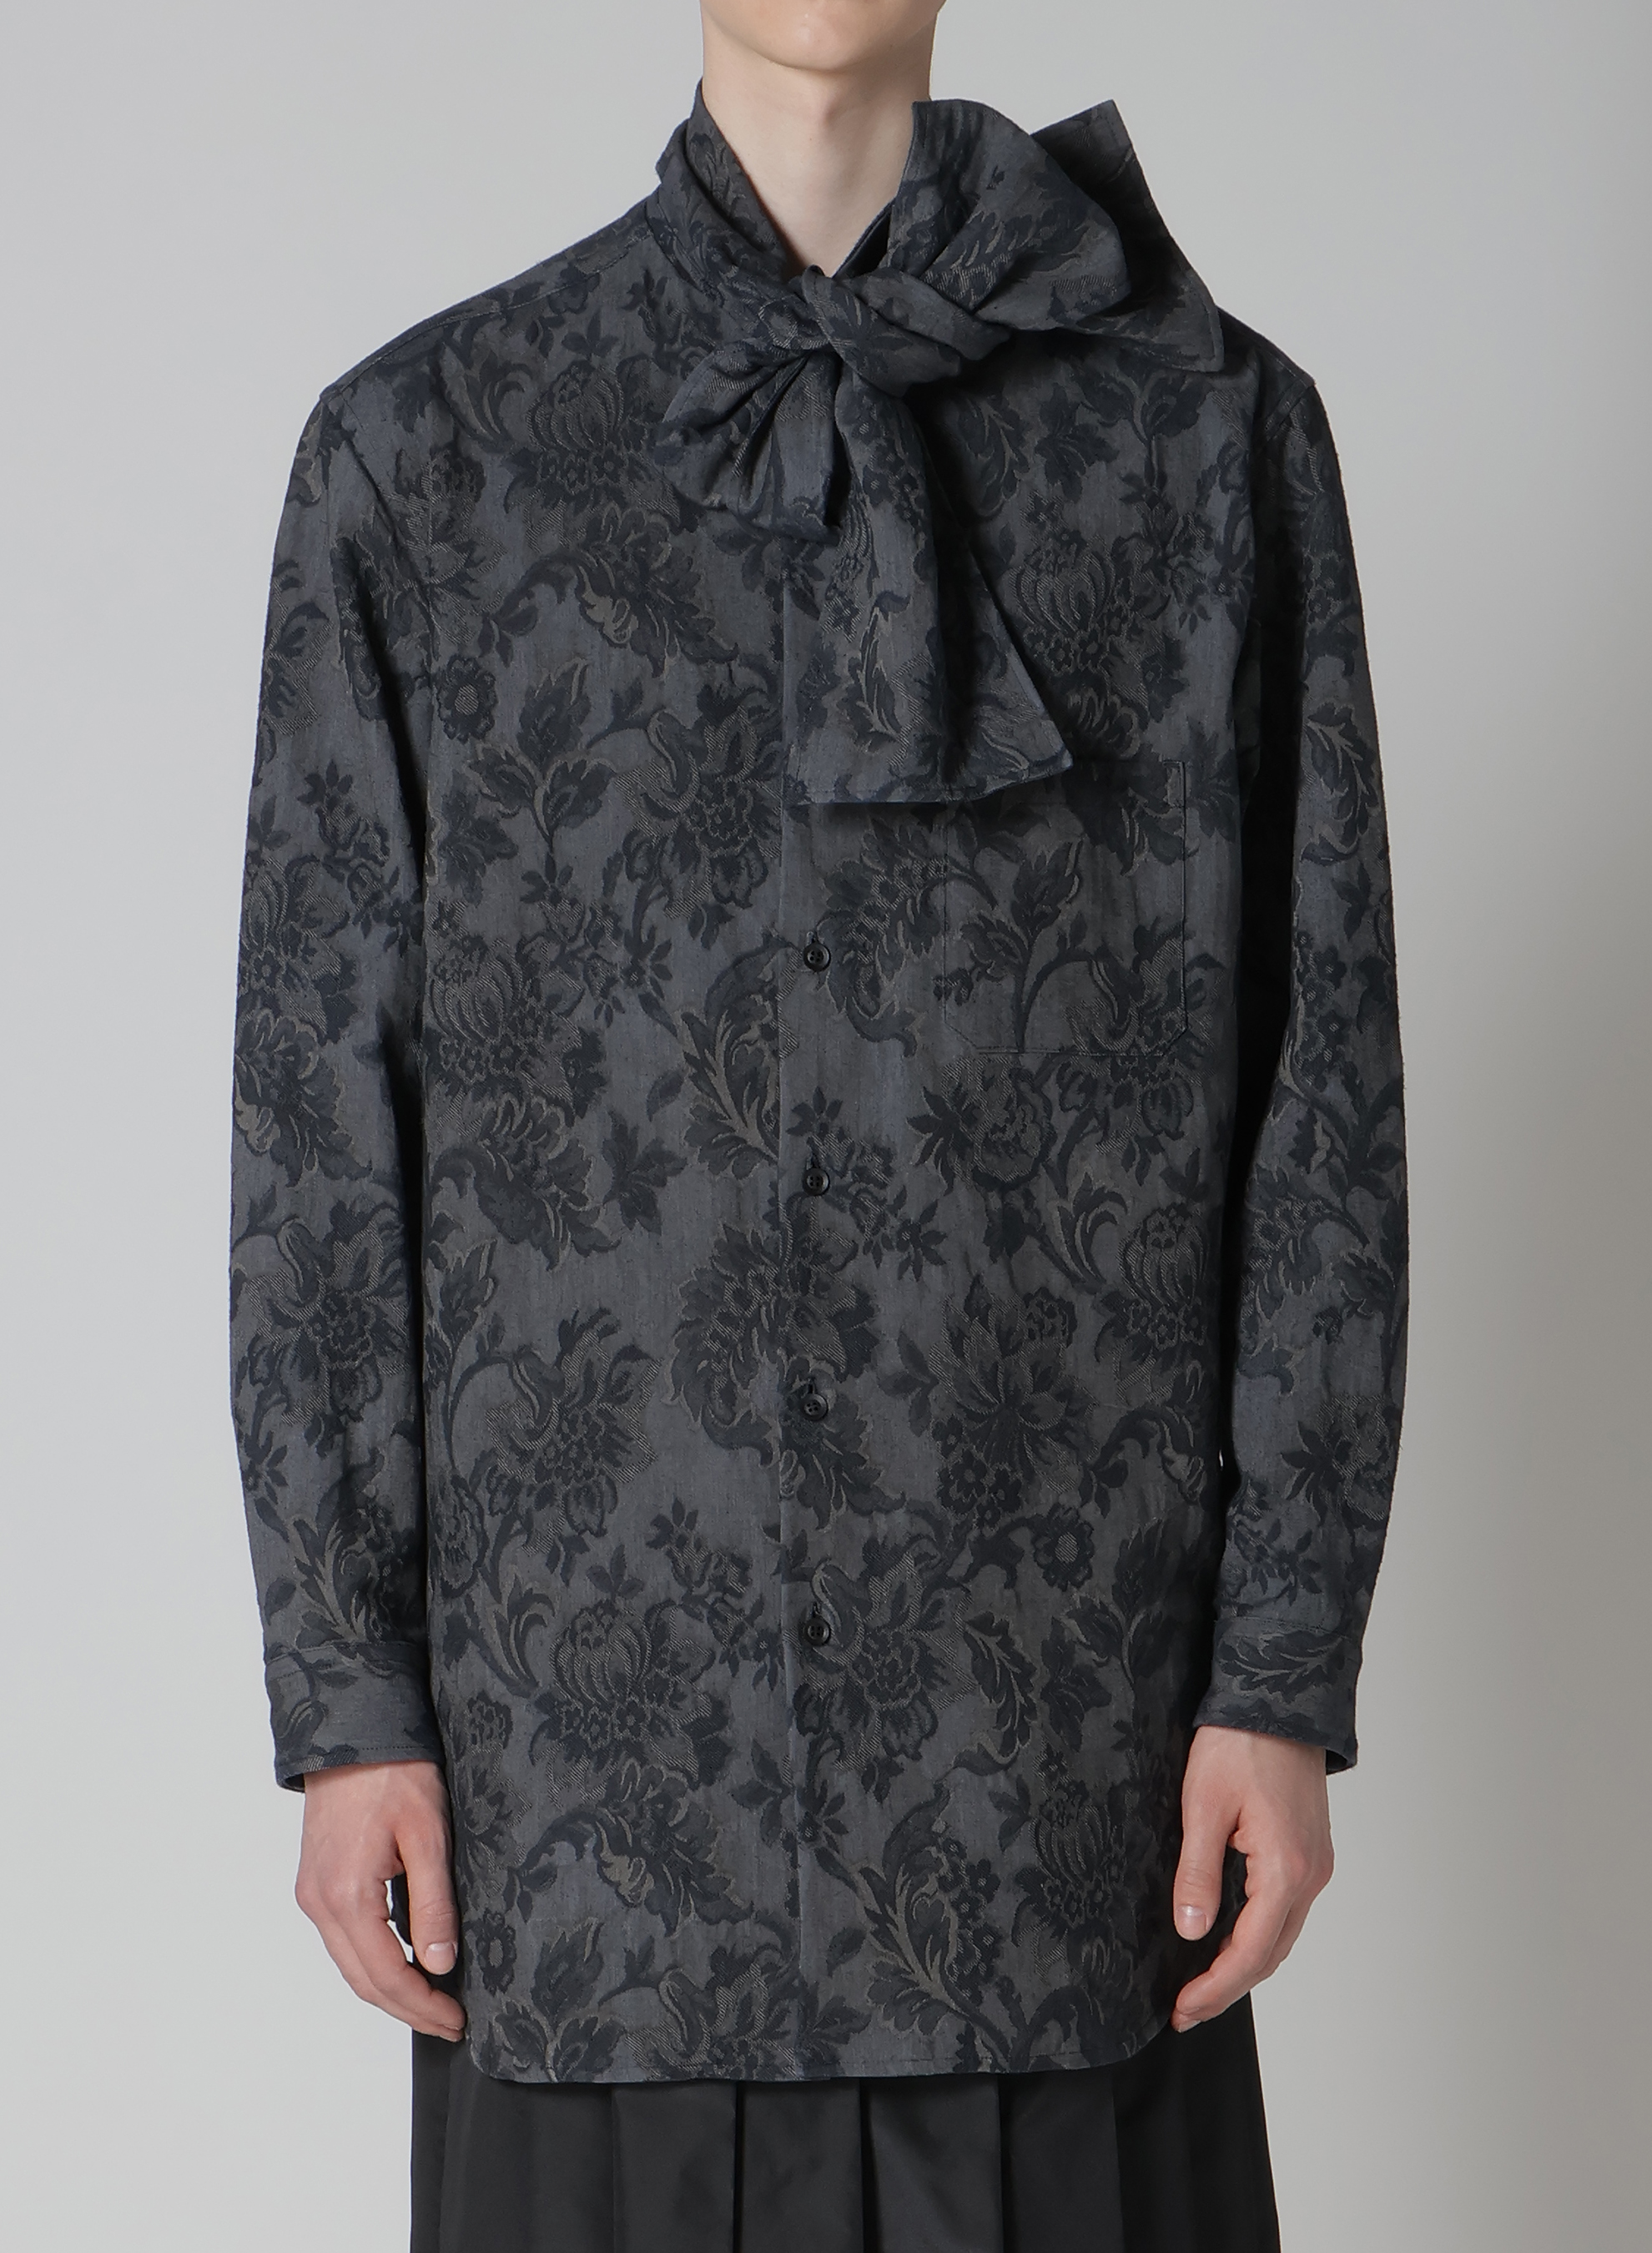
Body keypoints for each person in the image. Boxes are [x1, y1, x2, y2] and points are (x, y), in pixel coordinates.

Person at [229, 2, 1408, 2245]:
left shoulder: (1210, 435)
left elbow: (1317, 1076)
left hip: (1063, 1783)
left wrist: (1279, 1666)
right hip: (587, 1817)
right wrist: (348, 1696)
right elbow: (318, 1117)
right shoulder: (429, 451)